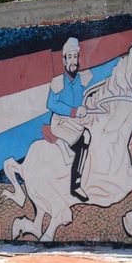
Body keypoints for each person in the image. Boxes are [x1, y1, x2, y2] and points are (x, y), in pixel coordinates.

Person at [46, 37, 93, 202]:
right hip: (60, 122)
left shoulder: (84, 78)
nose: (73, 60)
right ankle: (76, 186)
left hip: (76, 121)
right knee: (85, 138)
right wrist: (73, 111)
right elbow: (51, 103)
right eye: (70, 57)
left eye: (75, 56)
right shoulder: (58, 82)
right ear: (64, 60)